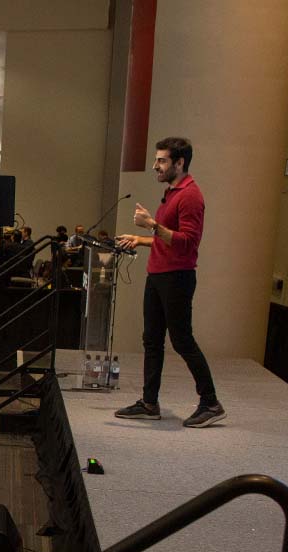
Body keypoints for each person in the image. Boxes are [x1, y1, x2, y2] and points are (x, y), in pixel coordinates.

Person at [114, 136, 224, 428]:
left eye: (162, 160)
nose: (155, 166)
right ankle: (150, 403)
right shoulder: (172, 192)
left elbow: (186, 243)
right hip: (159, 274)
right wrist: (140, 239)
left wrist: (151, 225)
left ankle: (211, 402)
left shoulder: (190, 196)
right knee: (151, 340)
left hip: (177, 277)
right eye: (156, 159)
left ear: (180, 162)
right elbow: (168, 239)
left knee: (182, 340)